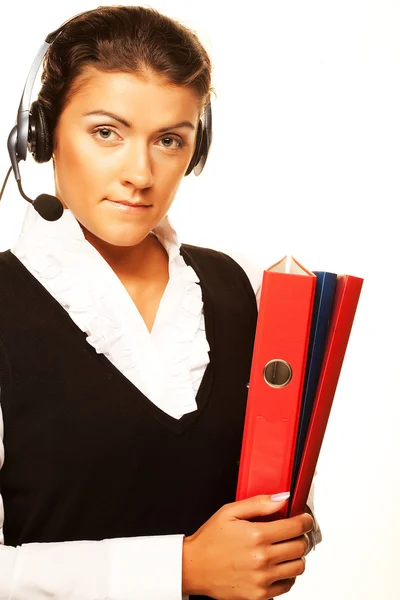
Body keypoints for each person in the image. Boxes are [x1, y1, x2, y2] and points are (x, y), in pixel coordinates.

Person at [0, 5, 322, 599]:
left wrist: (283, 536)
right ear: (41, 133)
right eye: (106, 132)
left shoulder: (245, 289)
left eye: (169, 140)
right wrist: (177, 568)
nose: (140, 173)